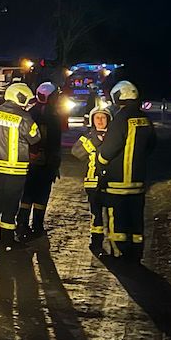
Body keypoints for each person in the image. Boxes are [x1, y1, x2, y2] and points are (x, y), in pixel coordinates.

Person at [96, 81, 156, 262]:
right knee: (136, 220)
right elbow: (152, 145)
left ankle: (119, 253)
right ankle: (136, 253)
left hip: (118, 182)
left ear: (117, 97)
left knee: (118, 219)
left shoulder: (120, 119)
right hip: (138, 182)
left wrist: (101, 161)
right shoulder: (145, 119)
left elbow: (108, 150)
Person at [0, 82, 43, 249]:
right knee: (10, 203)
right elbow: (35, 138)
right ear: (20, 96)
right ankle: (7, 238)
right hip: (15, 167)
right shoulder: (23, 117)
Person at [20, 81, 64, 236]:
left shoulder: (32, 113)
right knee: (40, 194)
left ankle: (23, 225)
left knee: (28, 194)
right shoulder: (51, 115)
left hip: (34, 162)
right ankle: (35, 226)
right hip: (43, 163)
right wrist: (54, 162)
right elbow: (51, 142)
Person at [71, 105, 111, 256]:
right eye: (97, 118)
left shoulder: (115, 136)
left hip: (111, 181)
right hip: (93, 182)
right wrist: (94, 142)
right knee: (97, 215)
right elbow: (76, 152)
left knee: (113, 216)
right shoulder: (88, 136)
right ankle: (96, 243)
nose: (100, 121)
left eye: (103, 117)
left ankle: (116, 245)